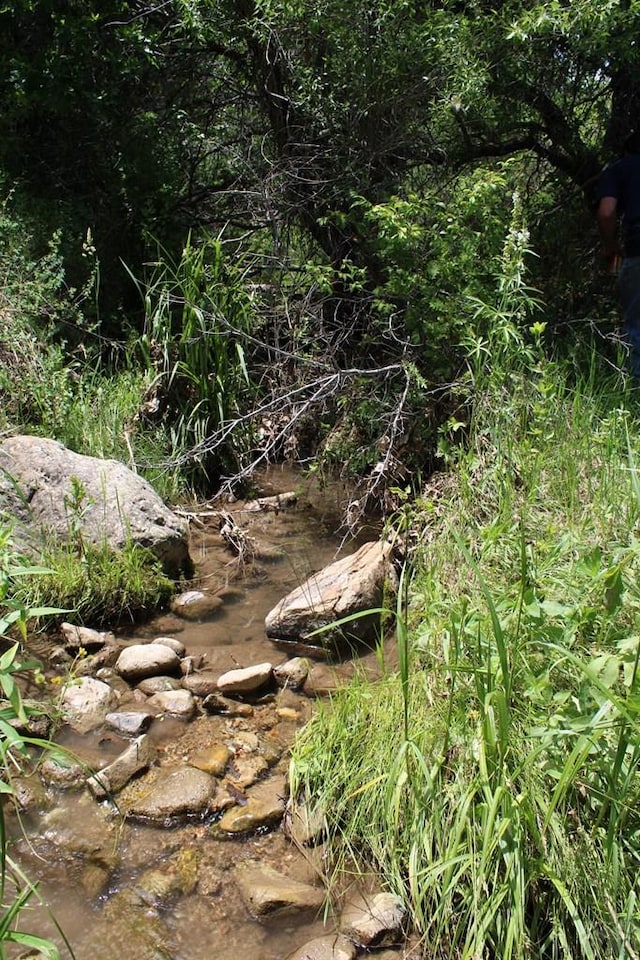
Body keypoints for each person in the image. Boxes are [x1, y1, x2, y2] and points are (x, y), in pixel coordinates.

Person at [597, 131, 640, 377]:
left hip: (637, 251)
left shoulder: (619, 168)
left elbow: (606, 213)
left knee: (637, 327)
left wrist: (611, 248)